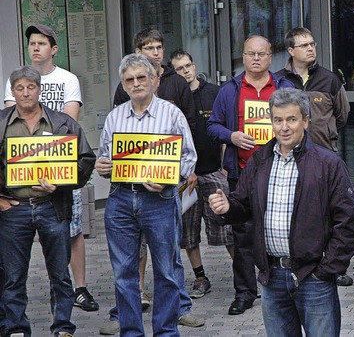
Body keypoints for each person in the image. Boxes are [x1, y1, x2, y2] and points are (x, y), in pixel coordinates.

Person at [209, 87, 354, 336]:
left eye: (291, 119)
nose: (284, 127)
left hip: (314, 277)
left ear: (306, 121)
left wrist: (327, 269)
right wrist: (228, 208)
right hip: (272, 277)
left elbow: (349, 222)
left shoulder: (328, 164)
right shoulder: (259, 160)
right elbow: (243, 205)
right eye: (278, 120)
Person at [100, 31, 204, 336]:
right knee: (123, 274)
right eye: (129, 79)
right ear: (123, 84)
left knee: (167, 271)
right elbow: (107, 159)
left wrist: (171, 180)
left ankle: (166, 332)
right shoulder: (114, 117)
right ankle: (131, 332)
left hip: (159, 201)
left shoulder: (171, 114)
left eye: (141, 77)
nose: (136, 83)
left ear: (153, 79)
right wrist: (104, 167)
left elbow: (188, 157)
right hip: (120, 199)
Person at [3, 24, 99, 312]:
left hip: (57, 182)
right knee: (13, 272)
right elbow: (14, 128)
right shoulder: (16, 80)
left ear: (53, 48)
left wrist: (53, 172)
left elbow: (66, 127)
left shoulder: (67, 79)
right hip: (18, 197)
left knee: (72, 235)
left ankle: (78, 292)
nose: (35, 47)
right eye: (32, 43)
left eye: (41, 43)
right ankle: (16, 327)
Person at [207, 35, 294, 315]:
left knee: (284, 230)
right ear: (243, 57)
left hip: (280, 173)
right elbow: (212, 125)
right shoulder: (230, 90)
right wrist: (230, 136)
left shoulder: (284, 87)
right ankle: (245, 292)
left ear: (271, 57)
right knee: (242, 235)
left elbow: (303, 120)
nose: (256, 58)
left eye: (261, 54)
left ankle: (288, 284)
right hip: (242, 174)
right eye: (250, 54)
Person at [276, 27, 354, 286]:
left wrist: (327, 135)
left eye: (312, 43)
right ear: (290, 51)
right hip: (290, 157)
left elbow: (342, 116)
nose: (311, 48)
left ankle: (335, 265)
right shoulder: (279, 80)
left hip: (324, 158)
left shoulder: (330, 79)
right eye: (304, 45)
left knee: (330, 212)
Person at [169, 49, 233, 298]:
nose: (186, 71)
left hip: (214, 171)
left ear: (194, 66)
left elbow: (225, 129)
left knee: (228, 228)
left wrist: (225, 166)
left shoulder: (214, 93)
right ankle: (200, 277)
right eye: (179, 69)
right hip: (185, 177)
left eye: (188, 66)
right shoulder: (171, 98)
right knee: (188, 232)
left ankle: (243, 275)